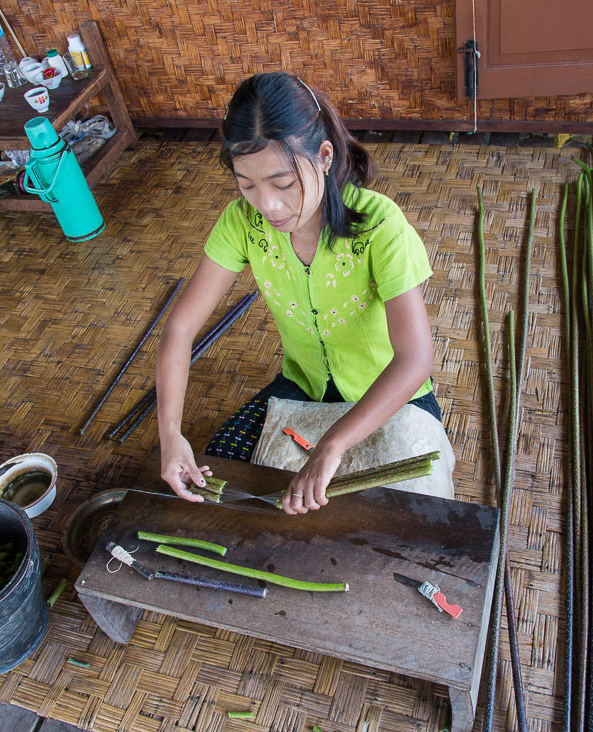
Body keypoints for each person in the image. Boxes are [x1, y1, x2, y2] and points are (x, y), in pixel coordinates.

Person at [156, 72, 439, 515]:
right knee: (220, 475)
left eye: (283, 184)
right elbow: (179, 328)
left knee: (395, 514)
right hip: (304, 385)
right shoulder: (242, 225)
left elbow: (415, 358)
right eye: (247, 185)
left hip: (391, 392)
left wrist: (332, 444)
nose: (267, 205)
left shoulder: (379, 225)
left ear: (324, 156)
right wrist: (170, 434)